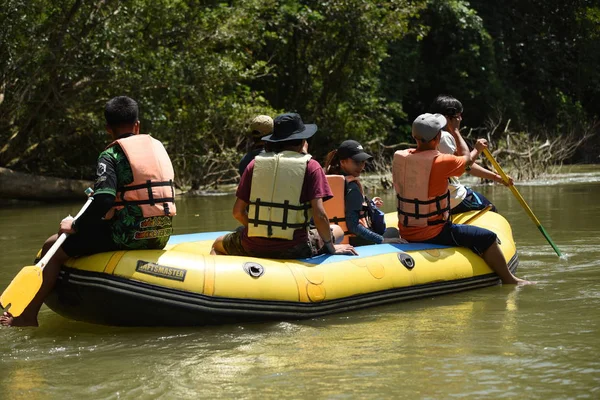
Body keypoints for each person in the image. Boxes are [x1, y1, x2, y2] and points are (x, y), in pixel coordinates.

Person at [1, 96, 177, 327]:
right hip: (160, 233)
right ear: (137, 126)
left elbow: (104, 199)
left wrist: (75, 225)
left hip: (126, 235)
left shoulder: (110, 156)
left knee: (50, 247)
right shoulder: (157, 148)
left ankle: (27, 317)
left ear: (108, 129)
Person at [392, 113, 532, 285]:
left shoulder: (401, 156)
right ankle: (510, 280)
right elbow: (467, 161)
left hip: (406, 229)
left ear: (415, 137)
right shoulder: (440, 161)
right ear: (437, 137)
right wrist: (476, 149)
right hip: (433, 233)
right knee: (487, 237)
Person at [212, 112, 357, 259]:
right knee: (337, 230)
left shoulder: (254, 164)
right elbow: (319, 215)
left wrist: (256, 231)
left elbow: (238, 212)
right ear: (302, 142)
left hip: (253, 245)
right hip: (295, 247)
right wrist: (331, 247)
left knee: (218, 243)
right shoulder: (311, 166)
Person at [430, 95, 513, 214]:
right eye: (458, 116)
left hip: (437, 200)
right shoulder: (444, 138)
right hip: (453, 199)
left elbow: (463, 164)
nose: (460, 119)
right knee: (491, 209)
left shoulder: (428, 135)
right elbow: (465, 166)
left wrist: (496, 177)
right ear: (450, 117)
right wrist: (476, 149)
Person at [323, 140, 407, 246]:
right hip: (354, 241)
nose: (362, 167)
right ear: (343, 162)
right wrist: (382, 240)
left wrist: (369, 205)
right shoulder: (352, 187)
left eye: (363, 162)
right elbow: (353, 226)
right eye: (357, 162)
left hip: (333, 237)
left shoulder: (326, 181)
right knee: (393, 231)